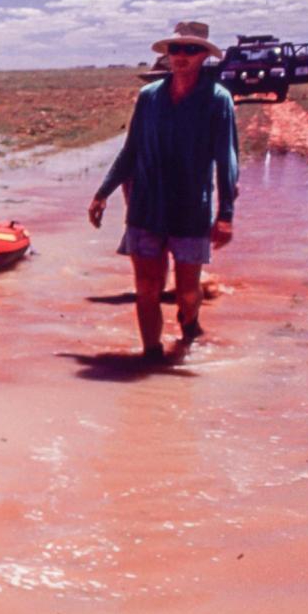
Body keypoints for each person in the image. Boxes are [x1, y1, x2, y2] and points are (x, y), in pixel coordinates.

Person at [89, 20, 238, 361]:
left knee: (186, 293)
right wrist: (103, 192)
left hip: (190, 211)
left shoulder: (218, 100)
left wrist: (226, 213)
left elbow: (226, 160)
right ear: (167, 54)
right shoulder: (148, 97)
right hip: (146, 208)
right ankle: (151, 358)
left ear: (204, 56)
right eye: (176, 48)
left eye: (191, 49)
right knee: (147, 289)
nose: (182, 55)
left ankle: (189, 329)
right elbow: (131, 150)